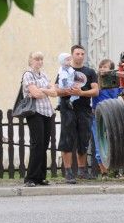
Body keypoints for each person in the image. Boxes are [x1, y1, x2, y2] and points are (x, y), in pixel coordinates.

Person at [57, 44, 98, 183]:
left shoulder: (90, 71)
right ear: (71, 55)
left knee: (83, 139)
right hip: (67, 107)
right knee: (67, 139)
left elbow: (95, 91)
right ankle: (68, 172)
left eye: (82, 54)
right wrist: (68, 92)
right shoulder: (64, 69)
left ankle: (82, 170)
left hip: (84, 109)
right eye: (77, 54)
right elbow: (56, 89)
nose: (80, 56)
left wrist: (81, 93)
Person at [21, 52, 58, 187]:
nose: (39, 61)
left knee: (44, 144)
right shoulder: (28, 75)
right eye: (37, 59)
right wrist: (44, 90)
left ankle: (40, 177)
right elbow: (35, 94)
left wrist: (42, 90)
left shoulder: (44, 75)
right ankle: (30, 178)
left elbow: (54, 92)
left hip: (47, 112)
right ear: (30, 60)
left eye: (41, 59)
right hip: (35, 112)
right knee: (37, 144)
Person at [91, 58, 124, 175]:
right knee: (100, 145)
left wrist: (120, 112)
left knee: (116, 144)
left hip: (113, 117)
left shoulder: (116, 82)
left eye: (105, 67)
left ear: (111, 69)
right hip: (97, 117)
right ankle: (104, 173)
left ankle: (116, 173)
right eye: (101, 66)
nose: (102, 69)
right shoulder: (96, 82)